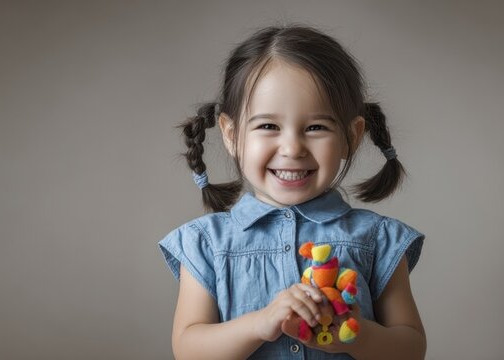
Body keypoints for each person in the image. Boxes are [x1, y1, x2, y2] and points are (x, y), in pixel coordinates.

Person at [158, 24, 426, 360]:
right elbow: (188, 350)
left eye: (316, 127)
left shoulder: (378, 239)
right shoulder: (205, 244)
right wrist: (260, 323)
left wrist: (355, 335)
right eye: (268, 126)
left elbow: (411, 349)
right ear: (230, 134)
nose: (292, 148)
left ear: (352, 135)